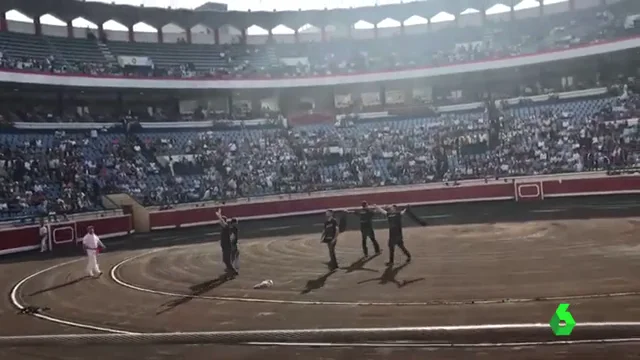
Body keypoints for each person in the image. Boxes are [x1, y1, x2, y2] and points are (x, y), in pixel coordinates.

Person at [216, 209, 238, 275]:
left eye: (221, 221)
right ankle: (230, 270)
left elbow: (222, 222)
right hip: (225, 246)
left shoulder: (226, 227)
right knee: (225, 260)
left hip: (227, 246)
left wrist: (219, 215)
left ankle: (233, 271)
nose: (219, 222)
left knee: (226, 260)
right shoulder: (225, 228)